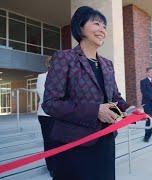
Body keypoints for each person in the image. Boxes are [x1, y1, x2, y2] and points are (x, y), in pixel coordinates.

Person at [42, 6, 138, 180]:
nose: (102, 30)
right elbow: (50, 103)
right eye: (97, 24)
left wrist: (131, 110)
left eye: (104, 27)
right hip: (74, 144)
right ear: (80, 27)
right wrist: (95, 110)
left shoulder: (107, 64)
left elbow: (115, 98)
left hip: (106, 140)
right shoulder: (64, 58)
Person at [36, 58, 56, 177]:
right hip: (46, 115)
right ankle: (51, 167)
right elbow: (44, 95)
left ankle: (58, 163)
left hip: (60, 115)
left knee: (59, 141)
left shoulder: (64, 78)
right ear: (49, 64)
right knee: (49, 141)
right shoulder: (42, 76)